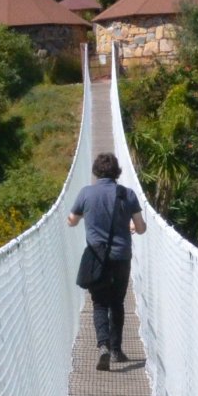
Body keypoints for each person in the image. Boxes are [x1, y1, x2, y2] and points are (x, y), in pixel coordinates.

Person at [68, 151, 146, 370]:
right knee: (117, 303)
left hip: (97, 257)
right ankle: (116, 350)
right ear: (117, 172)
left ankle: (102, 345)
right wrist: (131, 226)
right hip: (121, 257)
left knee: (100, 303)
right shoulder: (127, 194)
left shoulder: (86, 193)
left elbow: (72, 221)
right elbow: (141, 228)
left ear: (95, 171)